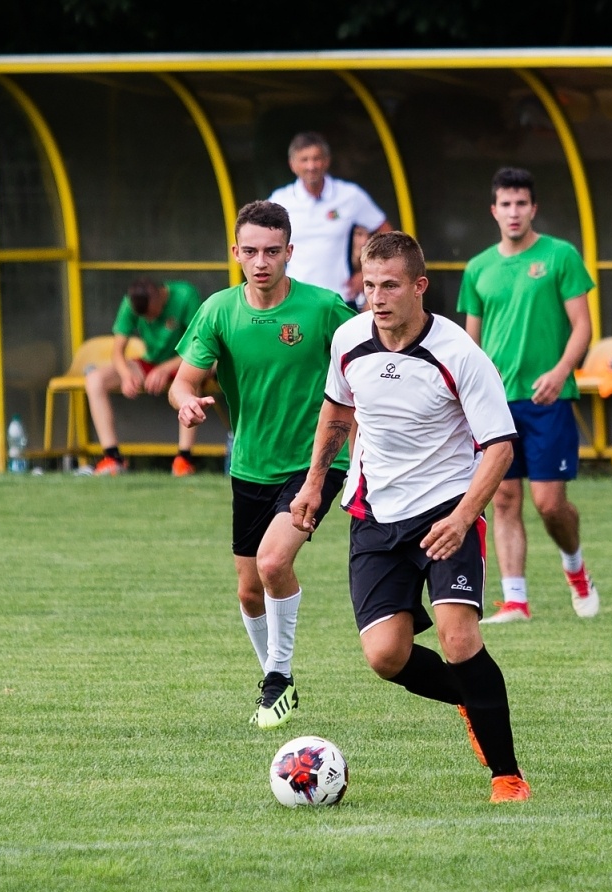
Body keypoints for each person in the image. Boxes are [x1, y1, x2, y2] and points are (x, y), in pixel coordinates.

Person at [290, 232, 529, 803]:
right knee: (385, 656)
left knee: (458, 638)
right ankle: (471, 700)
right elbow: (336, 411)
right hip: (375, 512)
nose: (377, 297)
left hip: (448, 508)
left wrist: (463, 517)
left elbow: (499, 446)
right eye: (369, 285)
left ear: (419, 286)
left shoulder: (458, 353)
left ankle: (507, 777)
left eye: (390, 285)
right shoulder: (349, 340)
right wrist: (313, 482)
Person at [171, 200, 355, 728]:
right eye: (250, 251)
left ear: (290, 253)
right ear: (235, 253)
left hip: (316, 461)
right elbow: (184, 380)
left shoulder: (322, 309)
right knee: (249, 588)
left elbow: (367, 360)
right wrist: (185, 401)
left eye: (272, 251)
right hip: (250, 463)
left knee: (275, 563)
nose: (261, 261)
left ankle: (277, 677)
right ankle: (279, 683)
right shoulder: (218, 311)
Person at [459, 168, 598, 623]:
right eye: (506, 204)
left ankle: (575, 569)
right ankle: (515, 600)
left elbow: (583, 325)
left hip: (547, 399)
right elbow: (470, 344)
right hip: (496, 402)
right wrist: (468, 395)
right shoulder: (478, 267)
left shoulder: (560, 255)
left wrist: (561, 372)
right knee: (503, 499)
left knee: (549, 505)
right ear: (493, 210)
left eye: (521, 204)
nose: (513, 212)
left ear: (533, 208)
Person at [87, 278, 205, 476]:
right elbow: (117, 352)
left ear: (160, 296)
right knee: (95, 379)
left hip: (184, 360)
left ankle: (184, 459)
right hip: (151, 362)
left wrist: (165, 369)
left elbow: (200, 346)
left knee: (191, 381)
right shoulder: (130, 302)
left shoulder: (185, 295)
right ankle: (112, 457)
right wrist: (126, 375)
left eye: (151, 313)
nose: (149, 320)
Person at [268, 132, 392, 304]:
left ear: (327, 161)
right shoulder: (279, 200)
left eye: (316, 158)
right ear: (292, 164)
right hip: (294, 300)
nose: (311, 166)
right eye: (304, 160)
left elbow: (388, 234)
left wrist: (366, 273)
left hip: (340, 299)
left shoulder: (350, 195)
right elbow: (262, 243)